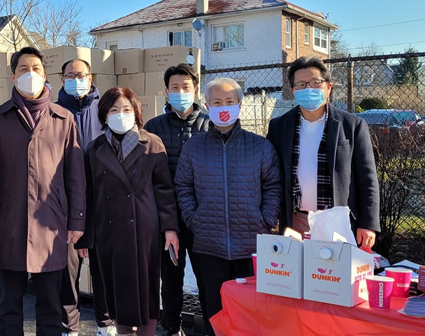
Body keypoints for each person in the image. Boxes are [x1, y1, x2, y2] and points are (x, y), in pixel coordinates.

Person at [0, 47, 87, 336]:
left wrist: (77, 220)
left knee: (51, 305)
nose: (31, 74)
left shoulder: (63, 118)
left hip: (51, 225)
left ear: (45, 74)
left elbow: (75, 175)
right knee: (9, 305)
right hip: (9, 223)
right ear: (13, 76)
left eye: (36, 69)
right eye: (23, 69)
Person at [174, 78, 281, 336]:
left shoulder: (260, 146)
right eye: (217, 102)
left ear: (239, 105)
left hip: (251, 246)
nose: (224, 107)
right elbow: (183, 185)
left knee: (251, 312)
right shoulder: (194, 147)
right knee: (214, 311)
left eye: (229, 101)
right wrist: (194, 218)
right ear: (207, 106)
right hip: (208, 246)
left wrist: (265, 219)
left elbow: (274, 185)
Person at [76, 87, 179, 336]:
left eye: (126, 109)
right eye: (113, 110)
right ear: (104, 115)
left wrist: (170, 228)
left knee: (147, 289)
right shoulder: (94, 148)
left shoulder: (152, 143)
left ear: (136, 112)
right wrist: (85, 237)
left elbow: (164, 190)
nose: (120, 115)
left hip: (145, 229)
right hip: (108, 230)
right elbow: (88, 194)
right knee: (116, 290)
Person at [266, 56, 379, 246]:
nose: (308, 89)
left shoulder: (352, 126)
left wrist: (368, 224)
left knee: (337, 266)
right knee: (299, 266)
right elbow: (271, 176)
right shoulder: (278, 127)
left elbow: (367, 178)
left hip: (338, 221)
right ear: (292, 91)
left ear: (328, 87)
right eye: (301, 84)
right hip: (296, 221)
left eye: (315, 82)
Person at [142, 63, 210, 336]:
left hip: (203, 215)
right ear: (166, 91)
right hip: (167, 216)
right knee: (171, 276)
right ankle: (171, 326)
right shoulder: (153, 127)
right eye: (175, 87)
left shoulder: (210, 124)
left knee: (207, 277)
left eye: (186, 87)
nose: (180, 92)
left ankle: (213, 326)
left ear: (195, 90)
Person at [55, 59, 113, 336]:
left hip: (101, 200)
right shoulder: (53, 112)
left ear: (91, 78)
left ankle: (106, 323)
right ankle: (69, 327)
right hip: (65, 203)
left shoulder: (105, 111)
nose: (75, 79)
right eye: (70, 75)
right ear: (62, 79)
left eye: (81, 75)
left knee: (102, 267)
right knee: (68, 270)